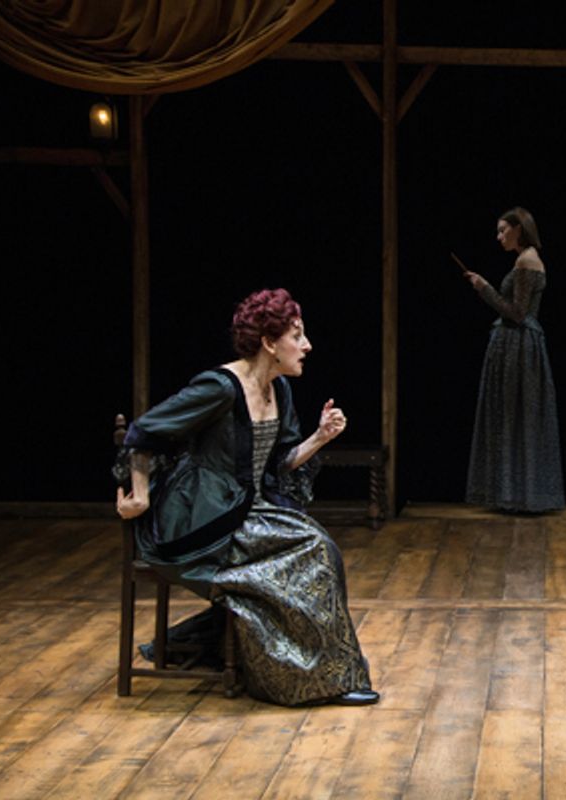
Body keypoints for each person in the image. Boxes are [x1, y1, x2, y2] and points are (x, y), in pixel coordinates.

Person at [115, 288, 378, 707]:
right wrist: (142, 495)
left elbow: (279, 463)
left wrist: (320, 437)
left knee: (320, 549)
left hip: (247, 510)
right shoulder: (220, 387)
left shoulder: (280, 390)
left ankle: (328, 676)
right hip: (203, 517)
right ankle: (291, 678)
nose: (307, 346)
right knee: (301, 560)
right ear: (270, 343)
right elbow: (144, 431)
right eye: (297, 335)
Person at [459, 206, 564, 512]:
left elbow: (517, 313)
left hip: (519, 346)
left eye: (504, 230)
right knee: (513, 418)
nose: (499, 236)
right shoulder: (524, 260)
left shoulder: (527, 260)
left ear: (519, 229)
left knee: (517, 416)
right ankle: (514, 494)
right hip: (515, 345)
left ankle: (521, 495)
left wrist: (483, 288)